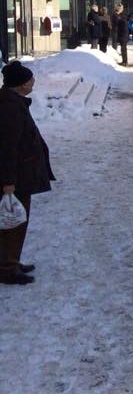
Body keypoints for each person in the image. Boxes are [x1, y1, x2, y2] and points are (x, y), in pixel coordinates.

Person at [0, 62, 55, 286]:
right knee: (12, 222)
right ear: (22, 85)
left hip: (21, 173)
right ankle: (7, 268)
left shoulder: (12, 102)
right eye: (30, 80)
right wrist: (8, 182)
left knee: (15, 222)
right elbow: (7, 148)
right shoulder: (10, 108)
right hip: (16, 177)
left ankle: (11, 261)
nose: (33, 83)